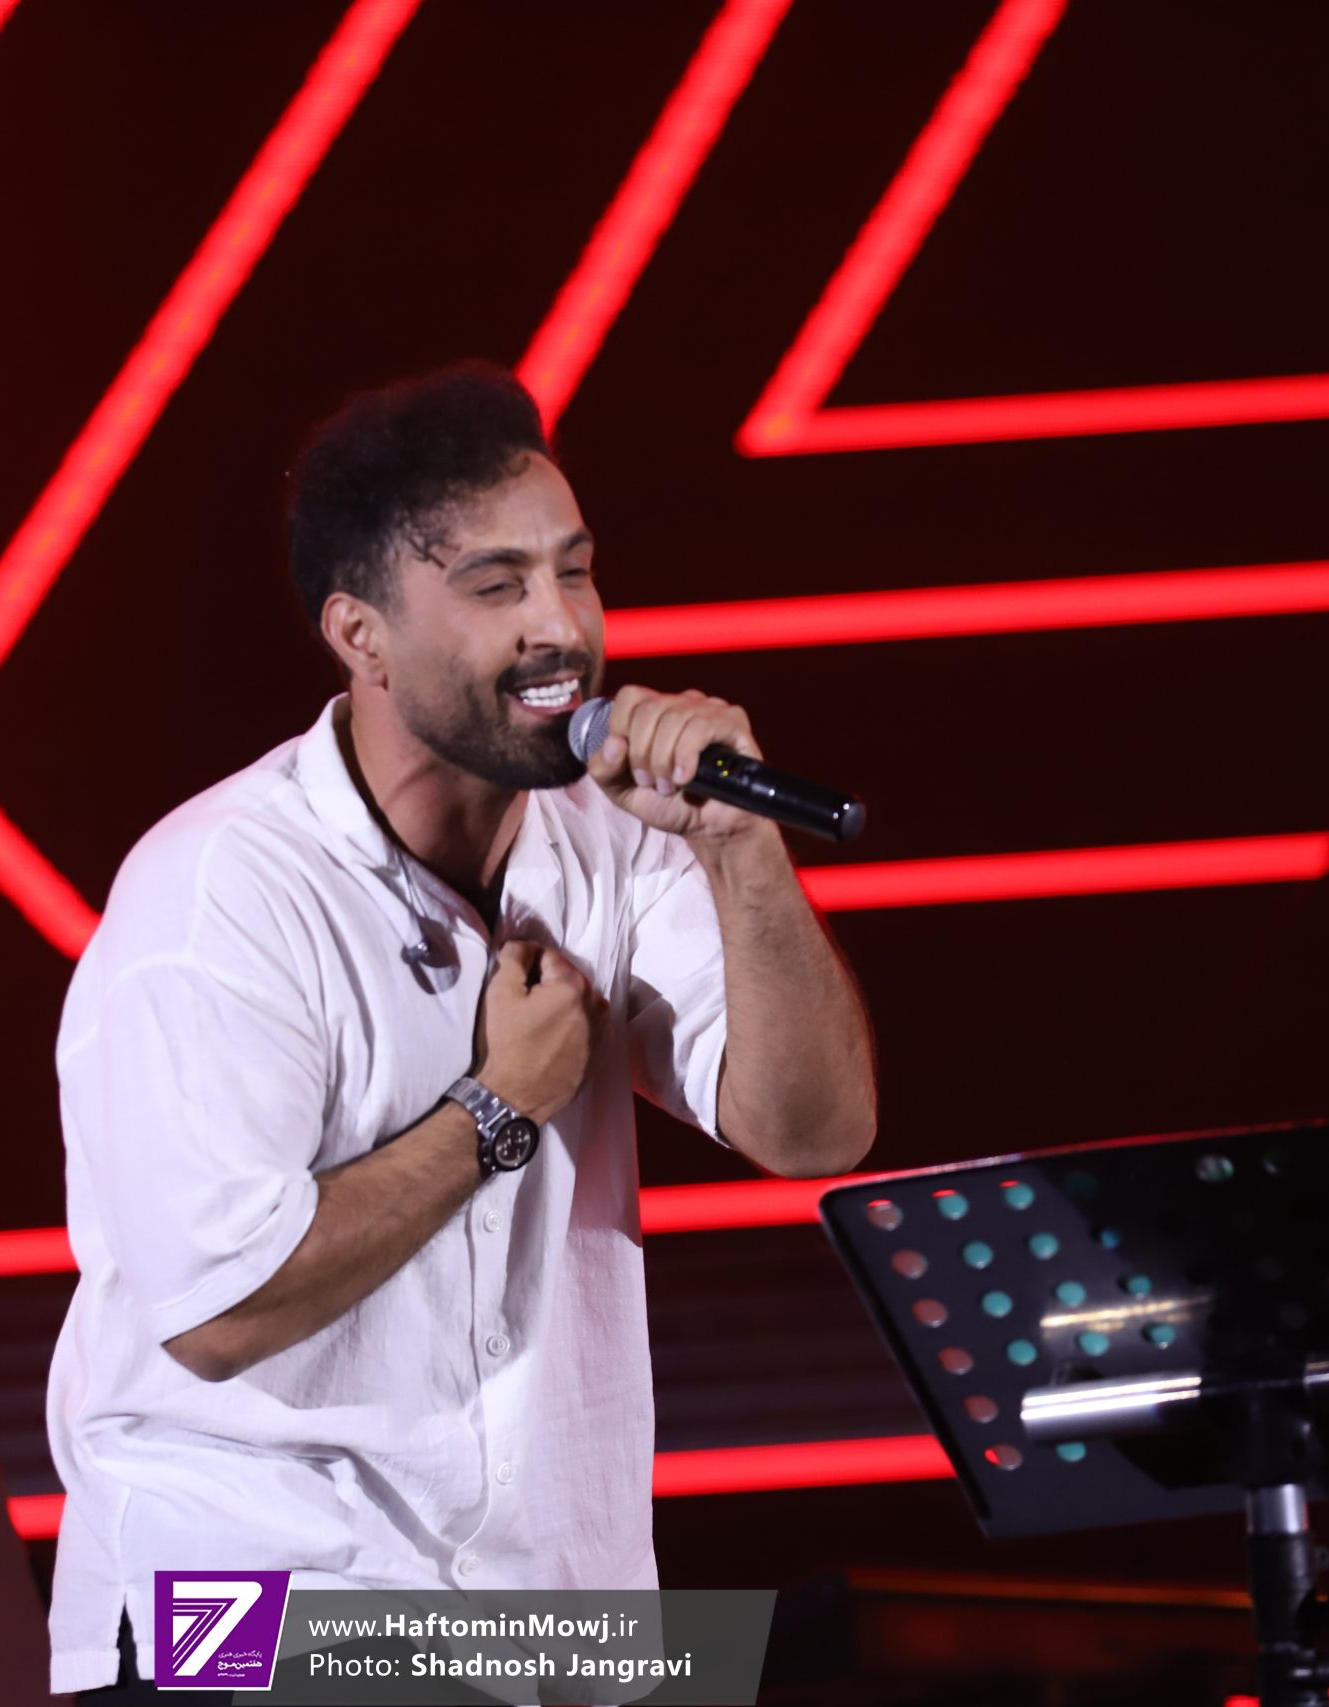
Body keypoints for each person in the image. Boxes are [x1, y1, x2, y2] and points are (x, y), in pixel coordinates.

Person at [42, 363, 878, 1698]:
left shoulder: (622, 842)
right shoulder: (220, 892)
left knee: (811, 1657)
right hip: (239, 1608)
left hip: (538, 1621)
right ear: (360, 634)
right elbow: (217, 1310)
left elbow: (816, 1131)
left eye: (574, 573)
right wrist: (499, 1108)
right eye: (497, 587)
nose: (559, 626)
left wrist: (740, 848)